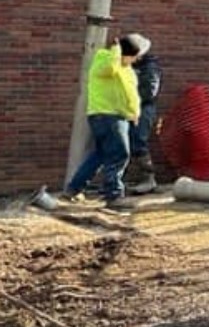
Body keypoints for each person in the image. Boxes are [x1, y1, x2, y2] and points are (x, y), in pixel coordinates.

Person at [63, 34, 145, 210]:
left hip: (111, 116)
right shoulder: (107, 61)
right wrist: (116, 51)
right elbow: (110, 70)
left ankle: (73, 188)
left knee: (100, 155)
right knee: (119, 153)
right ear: (126, 53)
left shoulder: (122, 66)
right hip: (109, 116)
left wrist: (134, 113)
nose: (137, 59)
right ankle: (113, 196)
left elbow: (128, 93)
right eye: (134, 55)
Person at [127, 35, 162, 194]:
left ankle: (149, 179)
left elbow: (149, 92)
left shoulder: (149, 67)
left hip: (143, 109)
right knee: (126, 143)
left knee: (138, 142)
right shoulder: (132, 66)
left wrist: (132, 101)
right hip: (130, 108)